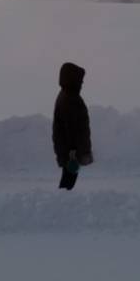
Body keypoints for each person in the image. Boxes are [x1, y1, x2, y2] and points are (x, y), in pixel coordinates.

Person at [52, 62, 93, 190]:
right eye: (80, 79)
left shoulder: (66, 95)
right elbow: (73, 128)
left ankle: (62, 203)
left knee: (68, 180)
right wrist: (75, 152)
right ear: (73, 79)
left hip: (69, 150)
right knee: (68, 183)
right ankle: (61, 204)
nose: (82, 82)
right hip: (71, 152)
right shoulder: (70, 99)